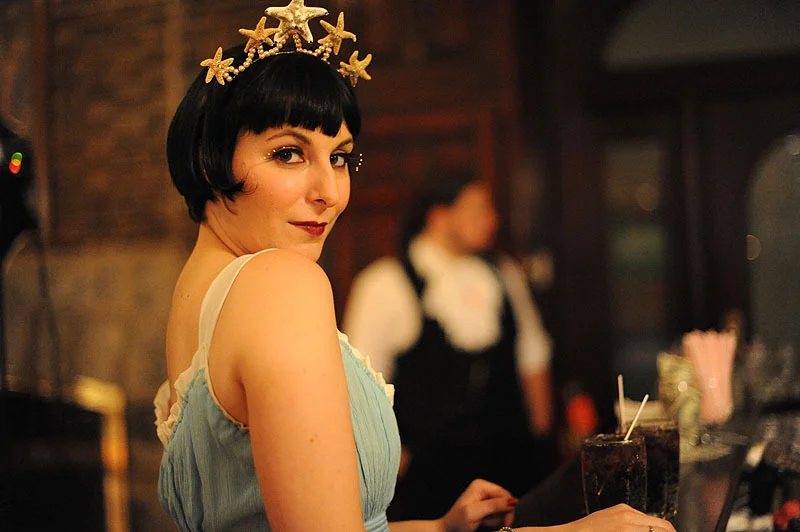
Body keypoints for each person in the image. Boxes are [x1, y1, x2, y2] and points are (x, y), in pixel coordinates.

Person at [153, 2, 677, 532]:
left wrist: (439, 528)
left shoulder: (195, 302)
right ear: (208, 159)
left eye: (339, 157)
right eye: (289, 153)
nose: (329, 192)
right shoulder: (280, 283)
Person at [343, 173, 557, 520]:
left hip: (509, 467)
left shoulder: (503, 273)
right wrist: (391, 465)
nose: (493, 220)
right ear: (440, 216)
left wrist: (541, 443)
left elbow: (532, 357)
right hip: (429, 484)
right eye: (479, 209)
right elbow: (359, 388)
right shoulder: (385, 283)